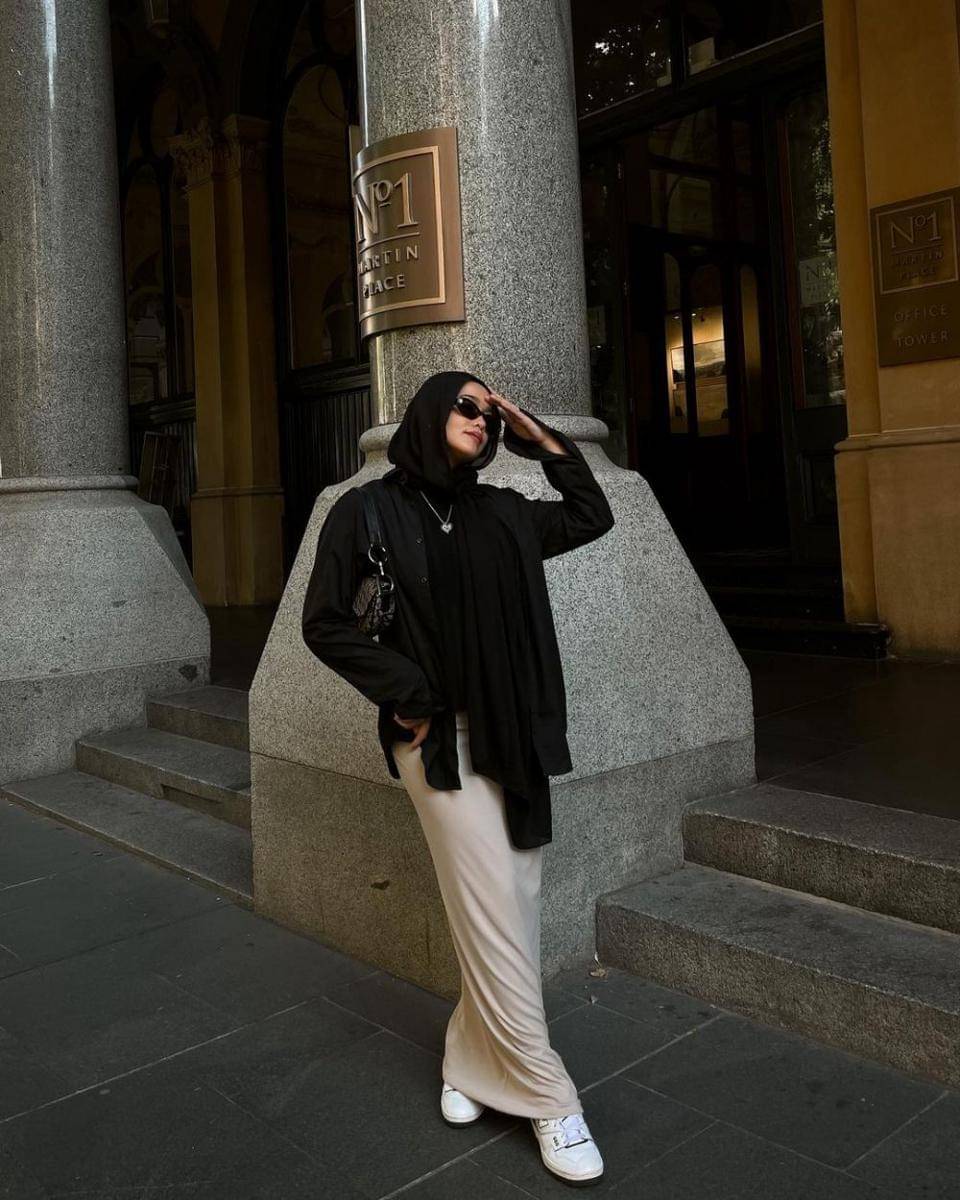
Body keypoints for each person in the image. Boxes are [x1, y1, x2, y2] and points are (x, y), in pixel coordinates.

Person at [301, 370, 615, 1186]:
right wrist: (409, 692)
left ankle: (469, 1058)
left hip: (513, 734)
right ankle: (550, 1098)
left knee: (513, 905)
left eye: (488, 411)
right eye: (464, 405)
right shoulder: (365, 511)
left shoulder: (501, 512)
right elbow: (324, 623)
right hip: (438, 742)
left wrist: (541, 439)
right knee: (495, 909)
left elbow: (593, 514)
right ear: (428, 413)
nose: (480, 418)